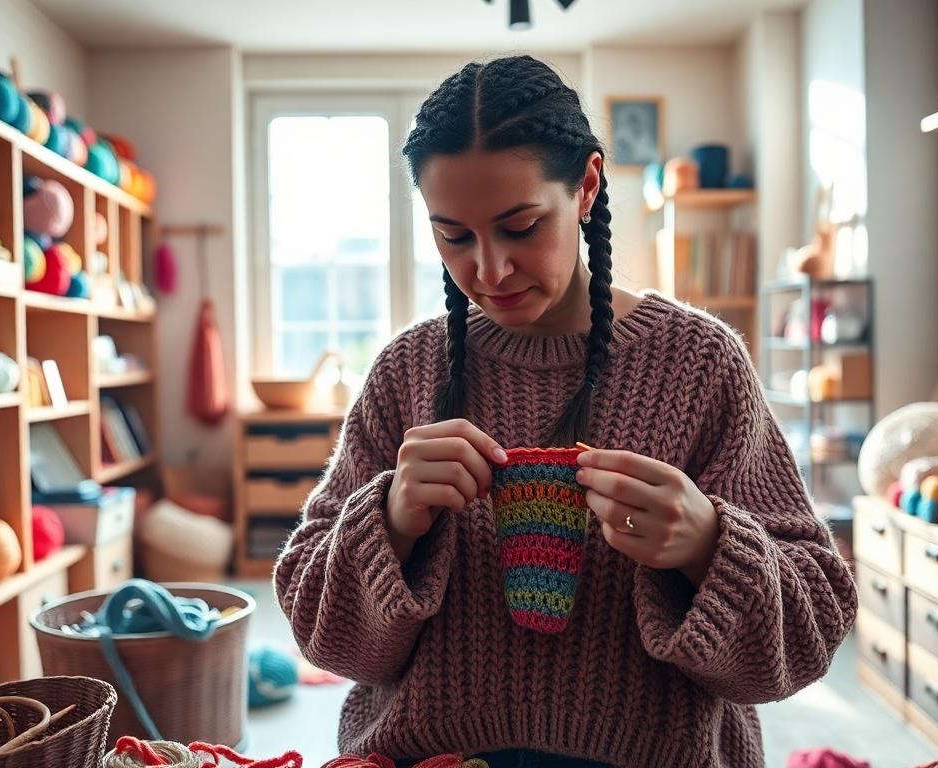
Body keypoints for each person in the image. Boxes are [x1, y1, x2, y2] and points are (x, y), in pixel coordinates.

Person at [275, 55, 857, 768]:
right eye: (453, 235)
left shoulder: (701, 365)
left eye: (520, 226)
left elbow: (809, 637)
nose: (488, 271)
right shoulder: (407, 371)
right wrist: (391, 520)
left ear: (586, 186)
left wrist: (709, 544)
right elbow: (322, 637)